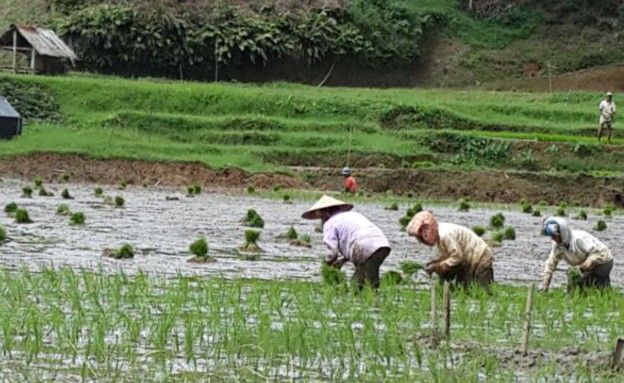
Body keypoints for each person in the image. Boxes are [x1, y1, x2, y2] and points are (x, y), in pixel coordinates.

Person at [302, 195, 391, 290]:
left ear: (325, 213)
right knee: (370, 280)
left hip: (366, 248)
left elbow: (332, 251)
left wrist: (328, 264)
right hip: (382, 245)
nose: (321, 219)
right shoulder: (354, 215)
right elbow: (354, 237)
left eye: (320, 216)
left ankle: (364, 300)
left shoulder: (330, 223)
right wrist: (343, 260)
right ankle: (373, 298)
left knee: (356, 284)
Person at [406, 210, 494, 287]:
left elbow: (457, 257)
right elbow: (447, 255)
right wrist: (435, 263)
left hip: (480, 256)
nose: (422, 238)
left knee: (483, 288)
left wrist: (437, 266)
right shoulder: (439, 237)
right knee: (465, 288)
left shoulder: (445, 234)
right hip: (468, 258)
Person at [540, 217, 613, 292]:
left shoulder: (580, 239)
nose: (553, 239)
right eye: (552, 237)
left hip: (603, 261)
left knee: (588, 285)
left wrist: (582, 268)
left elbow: (596, 254)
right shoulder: (557, 246)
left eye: (555, 236)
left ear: (562, 232)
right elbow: (550, 265)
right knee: (573, 284)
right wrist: (545, 284)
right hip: (584, 265)